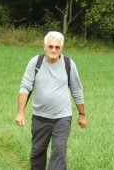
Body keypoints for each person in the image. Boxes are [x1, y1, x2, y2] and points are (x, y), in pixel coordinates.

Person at [15, 31, 87, 170]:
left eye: (57, 47)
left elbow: (77, 90)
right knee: (37, 152)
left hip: (62, 118)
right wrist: (20, 112)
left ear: (62, 48)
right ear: (44, 47)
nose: (53, 50)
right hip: (40, 117)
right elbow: (25, 86)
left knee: (59, 152)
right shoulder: (35, 62)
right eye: (50, 46)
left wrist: (82, 114)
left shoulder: (68, 64)